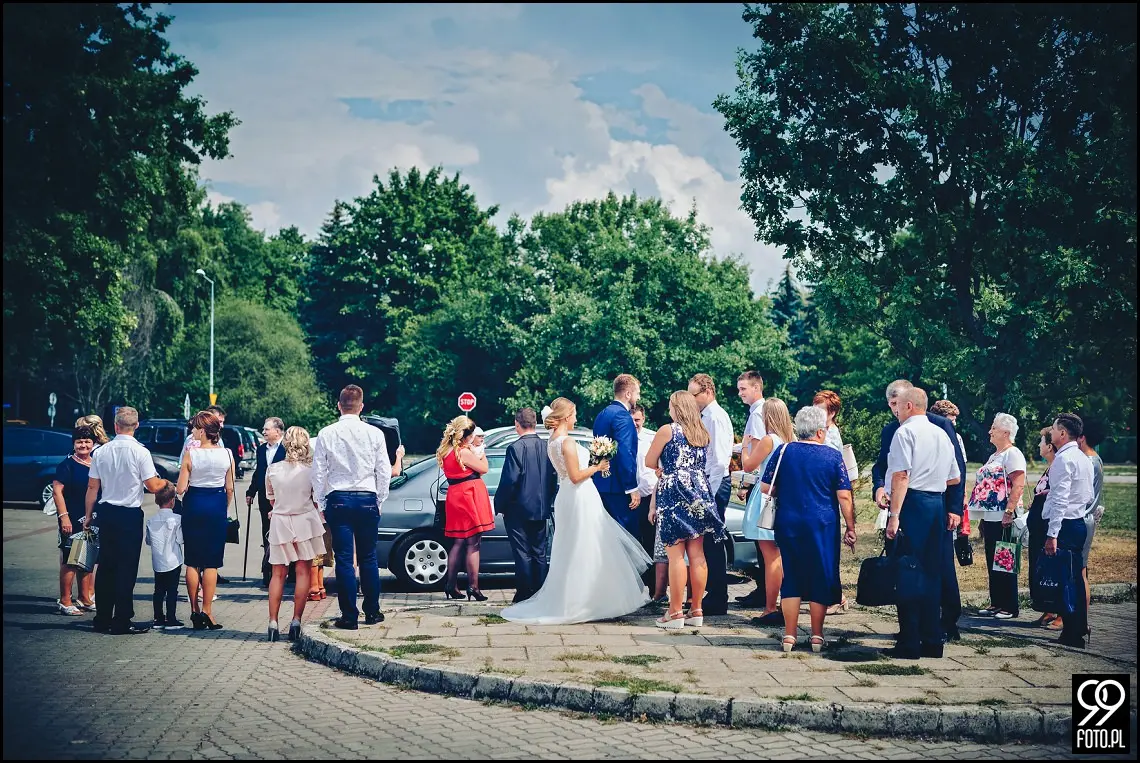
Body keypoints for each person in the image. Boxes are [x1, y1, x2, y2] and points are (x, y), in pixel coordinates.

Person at [503, 398, 650, 624]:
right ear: (564, 416)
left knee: (573, 548)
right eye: (573, 415)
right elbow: (575, 476)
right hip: (579, 496)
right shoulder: (567, 442)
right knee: (586, 546)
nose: (576, 419)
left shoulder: (552, 440)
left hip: (567, 497)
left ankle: (581, 598)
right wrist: (597, 467)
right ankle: (584, 601)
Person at [873, 379, 967, 641]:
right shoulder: (897, 430)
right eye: (891, 404)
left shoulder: (935, 427)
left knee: (918, 567)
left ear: (910, 403)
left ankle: (926, 629)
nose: (895, 409)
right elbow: (953, 475)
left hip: (916, 502)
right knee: (927, 568)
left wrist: (954, 508)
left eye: (899, 404)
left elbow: (902, 475)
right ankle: (930, 634)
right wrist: (881, 488)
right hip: (931, 499)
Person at [760, 406, 856, 651]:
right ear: (821, 431)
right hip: (822, 524)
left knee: (791, 576)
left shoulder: (784, 451)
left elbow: (764, 487)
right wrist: (851, 526)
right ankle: (816, 636)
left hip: (789, 520)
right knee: (820, 577)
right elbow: (844, 495)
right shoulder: (833, 456)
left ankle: (789, 636)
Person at [644, 391, 726, 629]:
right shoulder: (701, 432)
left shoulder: (667, 430)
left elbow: (650, 461)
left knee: (676, 554)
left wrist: (664, 469)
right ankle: (697, 609)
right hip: (700, 490)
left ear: (676, 408)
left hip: (674, 492)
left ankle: (675, 612)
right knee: (697, 553)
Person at [313, 385, 391, 630]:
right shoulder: (375, 433)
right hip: (367, 497)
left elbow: (318, 472)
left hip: (339, 498)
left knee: (345, 559)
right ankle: (372, 611)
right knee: (369, 557)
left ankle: (349, 616)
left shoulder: (326, 433)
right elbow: (384, 470)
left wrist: (321, 501)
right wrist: (379, 499)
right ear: (361, 406)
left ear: (339, 405)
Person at [83, 406, 165, 635]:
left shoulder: (101, 452)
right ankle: (121, 620)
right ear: (136, 426)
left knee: (106, 566)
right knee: (126, 568)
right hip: (129, 515)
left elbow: (92, 487)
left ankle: (102, 618)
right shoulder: (141, 452)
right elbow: (151, 485)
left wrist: (88, 515)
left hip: (106, 512)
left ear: (115, 426)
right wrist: (167, 484)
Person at [265, 426, 326, 642]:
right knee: (303, 573)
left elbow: (271, 499)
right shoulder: (311, 471)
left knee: (278, 574)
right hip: (305, 521)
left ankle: (273, 622)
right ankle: (296, 621)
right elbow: (317, 498)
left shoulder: (272, 469)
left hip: (281, 521)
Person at [176, 410, 234, 631]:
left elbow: (181, 488)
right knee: (211, 562)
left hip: (194, 504)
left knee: (192, 560)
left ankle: (194, 610)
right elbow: (230, 488)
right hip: (216, 505)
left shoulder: (191, 454)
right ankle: (208, 611)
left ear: (202, 431)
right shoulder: (227, 454)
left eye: (194, 428)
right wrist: (222, 507)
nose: (192, 431)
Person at [1041, 413, 1094, 648]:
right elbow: (1088, 495)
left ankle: (1072, 632)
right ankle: (1079, 626)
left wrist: (1052, 533)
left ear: (1062, 433)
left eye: (1053, 430)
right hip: (1078, 522)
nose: (1051, 434)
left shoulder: (1063, 459)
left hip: (1065, 524)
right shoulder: (1084, 457)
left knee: (1066, 580)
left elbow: (1060, 500)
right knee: (1076, 578)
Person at [740, 398, 795, 626]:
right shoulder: (789, 440)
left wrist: (744, 446)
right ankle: (783, 604)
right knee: (779, 556)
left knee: (770, 556)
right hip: (783, 498)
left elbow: (748, 465)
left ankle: (771, 607)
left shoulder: (768, 440)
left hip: (765, 499)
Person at [495, 408, 557, 604]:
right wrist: (547, 501)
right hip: (541, 508)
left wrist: (499, 504)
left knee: (522, 552)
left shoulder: (515, 448)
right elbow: (553, 479)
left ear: (517, 424)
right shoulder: (547, 446)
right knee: (539, 552)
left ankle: (524, 592)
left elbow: (509, 481)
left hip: (518, 509)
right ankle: (541, 591)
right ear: (535, 422)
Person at [969, 413, 1027, 620]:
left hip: (1005, 516)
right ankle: (997, 602)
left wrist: (1009, 512)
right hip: (991, 516)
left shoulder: (1013, 454)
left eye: (993, 428)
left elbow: (1018, 484)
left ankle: (1010, 606)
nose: (990, 431)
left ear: (1006, 432)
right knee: (993, 559)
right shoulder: (995, 455)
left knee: (1006, 559)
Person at [687, 373, 733, 616]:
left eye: (693, 394)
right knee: (707, 542)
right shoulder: (705, 415)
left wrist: (708, 496)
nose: (691, 399)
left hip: (715, 485)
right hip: (707, 485)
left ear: (707, 392)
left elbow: (719, 460)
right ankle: (713, 593)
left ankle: (718, 596)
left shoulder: (715, 417)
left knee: (714, 542)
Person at [438, 416, 495, 601]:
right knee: (473, 543)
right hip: (469, 494)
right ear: (466, 435)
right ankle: (473, 586)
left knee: (458, 542)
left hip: (455, 493)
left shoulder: (446, 451)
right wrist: (481, 451)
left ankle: (450, 584)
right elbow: (484, 468)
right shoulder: (464, 452)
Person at [52, 426, 98, 615]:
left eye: (87, 441)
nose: (83, 445)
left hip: (92, 519)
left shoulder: (96, 463)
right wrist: (64, 517)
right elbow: (57, 491)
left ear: (93, 444)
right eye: (79, 441)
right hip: (72, 518)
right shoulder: (67, 465)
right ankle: (65, 600)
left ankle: (85, 598)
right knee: (71, 560)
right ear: (73, 443)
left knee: (86, 559)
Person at [813, 389, 850, 615]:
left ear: (832, 412)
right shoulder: (821, 431)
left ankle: (836, 596)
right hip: (819, 496)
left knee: (828, 551)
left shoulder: (832, 435)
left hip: (827, 497)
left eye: (821, 410)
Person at [592, 374, 642, 536]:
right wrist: (631, 487)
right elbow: (624, 453)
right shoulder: (622, 416)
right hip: (619, 488)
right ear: (628, 394)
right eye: (637, 393)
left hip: (602, 484)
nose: (638, 397)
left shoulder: (602, 414)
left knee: (607, 537)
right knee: (626, 538)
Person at [733, 371, 766, 608]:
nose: (740, 393)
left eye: (743, 388)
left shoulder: (757, 415)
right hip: (762, 479)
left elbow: (752, 455)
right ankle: (763, 589)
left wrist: (740, 449)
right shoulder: (760, 412)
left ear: (756, 388)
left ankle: (764, 590)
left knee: (760, 539)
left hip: (759, 480)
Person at [633, 404, 667, 603]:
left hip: (650, 495)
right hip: (631, 497)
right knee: (636, 543)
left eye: (637, 420)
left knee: (652, 543)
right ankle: (638, 588)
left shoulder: (652, 437)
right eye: (632, 420)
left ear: (643, 419)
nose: (635, 424)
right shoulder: (623, 436)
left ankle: (656, 590)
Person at [247, 417, 287, 587]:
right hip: (265, 497)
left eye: (266, 429)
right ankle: (268, 569)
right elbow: (258, 473)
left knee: (284, 533)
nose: (263, 432)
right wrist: (251, 491)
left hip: (284, 496)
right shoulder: (262, 449)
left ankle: (287, 570)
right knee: (267, 532)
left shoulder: (286, 449)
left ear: (277, 431)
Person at [1076, 416, 1106, 621]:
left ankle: (1078, 617)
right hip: (1087, 518)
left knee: (1079, 572)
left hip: (1082, 519)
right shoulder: (1095, 458)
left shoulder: (1088, 461)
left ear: (1082, 437)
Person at [1028, 427, 1058, 625]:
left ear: (1049, 446)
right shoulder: (1049, 467)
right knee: (1040, 569)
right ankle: (1047, 609)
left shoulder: (1058, 466)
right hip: (1037, 526)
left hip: (1048, 525)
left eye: (1041, 442)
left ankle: (1060, 612)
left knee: (1052, 569)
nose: (1038, 445)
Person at [145, 480, 184, 630]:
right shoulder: (177, 519)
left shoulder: (151, 520)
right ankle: (171, 618)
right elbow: (180, 539)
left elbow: (148, 541)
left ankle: (158, 618)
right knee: (172, 590)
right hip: (173, 559)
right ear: (173, 500)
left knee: (158, 590)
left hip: (158, 561)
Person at [930, 400, 971, 535]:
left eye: (954, 420)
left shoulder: (957, 438)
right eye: (951, 420)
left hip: (951, 490)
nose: (953, 424)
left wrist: (962, 495)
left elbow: (961, 468)